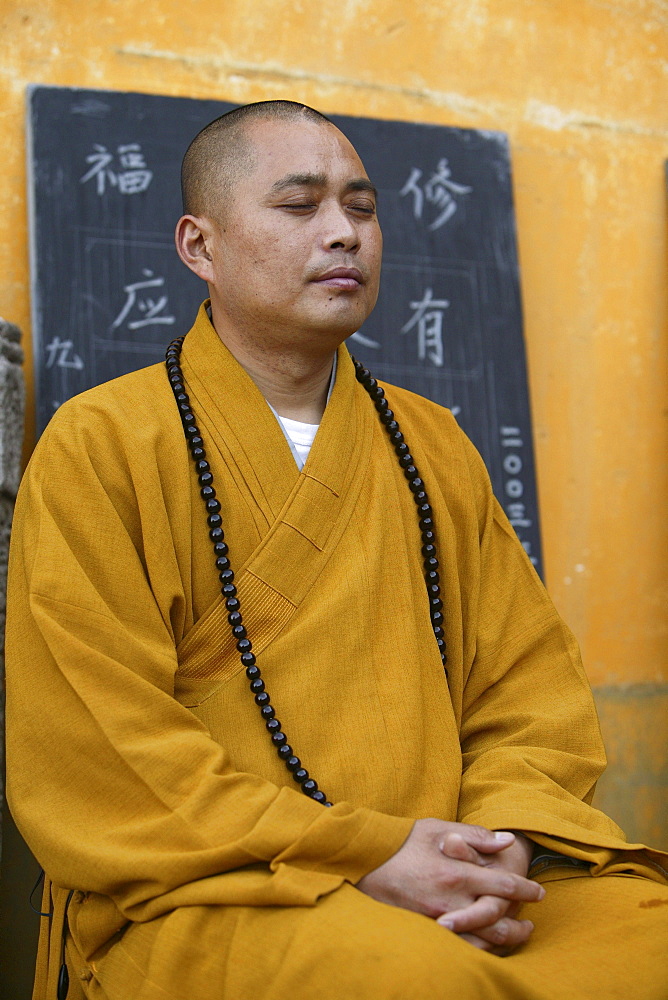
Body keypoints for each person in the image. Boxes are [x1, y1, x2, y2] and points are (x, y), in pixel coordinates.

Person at [5, 100, 667, 1000]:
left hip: (458, 871)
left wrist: (499, 843)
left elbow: (528, 692)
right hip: (221, 884)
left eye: (361, 206)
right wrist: (369, 855)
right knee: (411, 981)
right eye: (299, 206)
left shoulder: (434, 447)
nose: (343, 234)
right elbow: (99, 750)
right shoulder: (105, 445)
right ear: (200, 246)